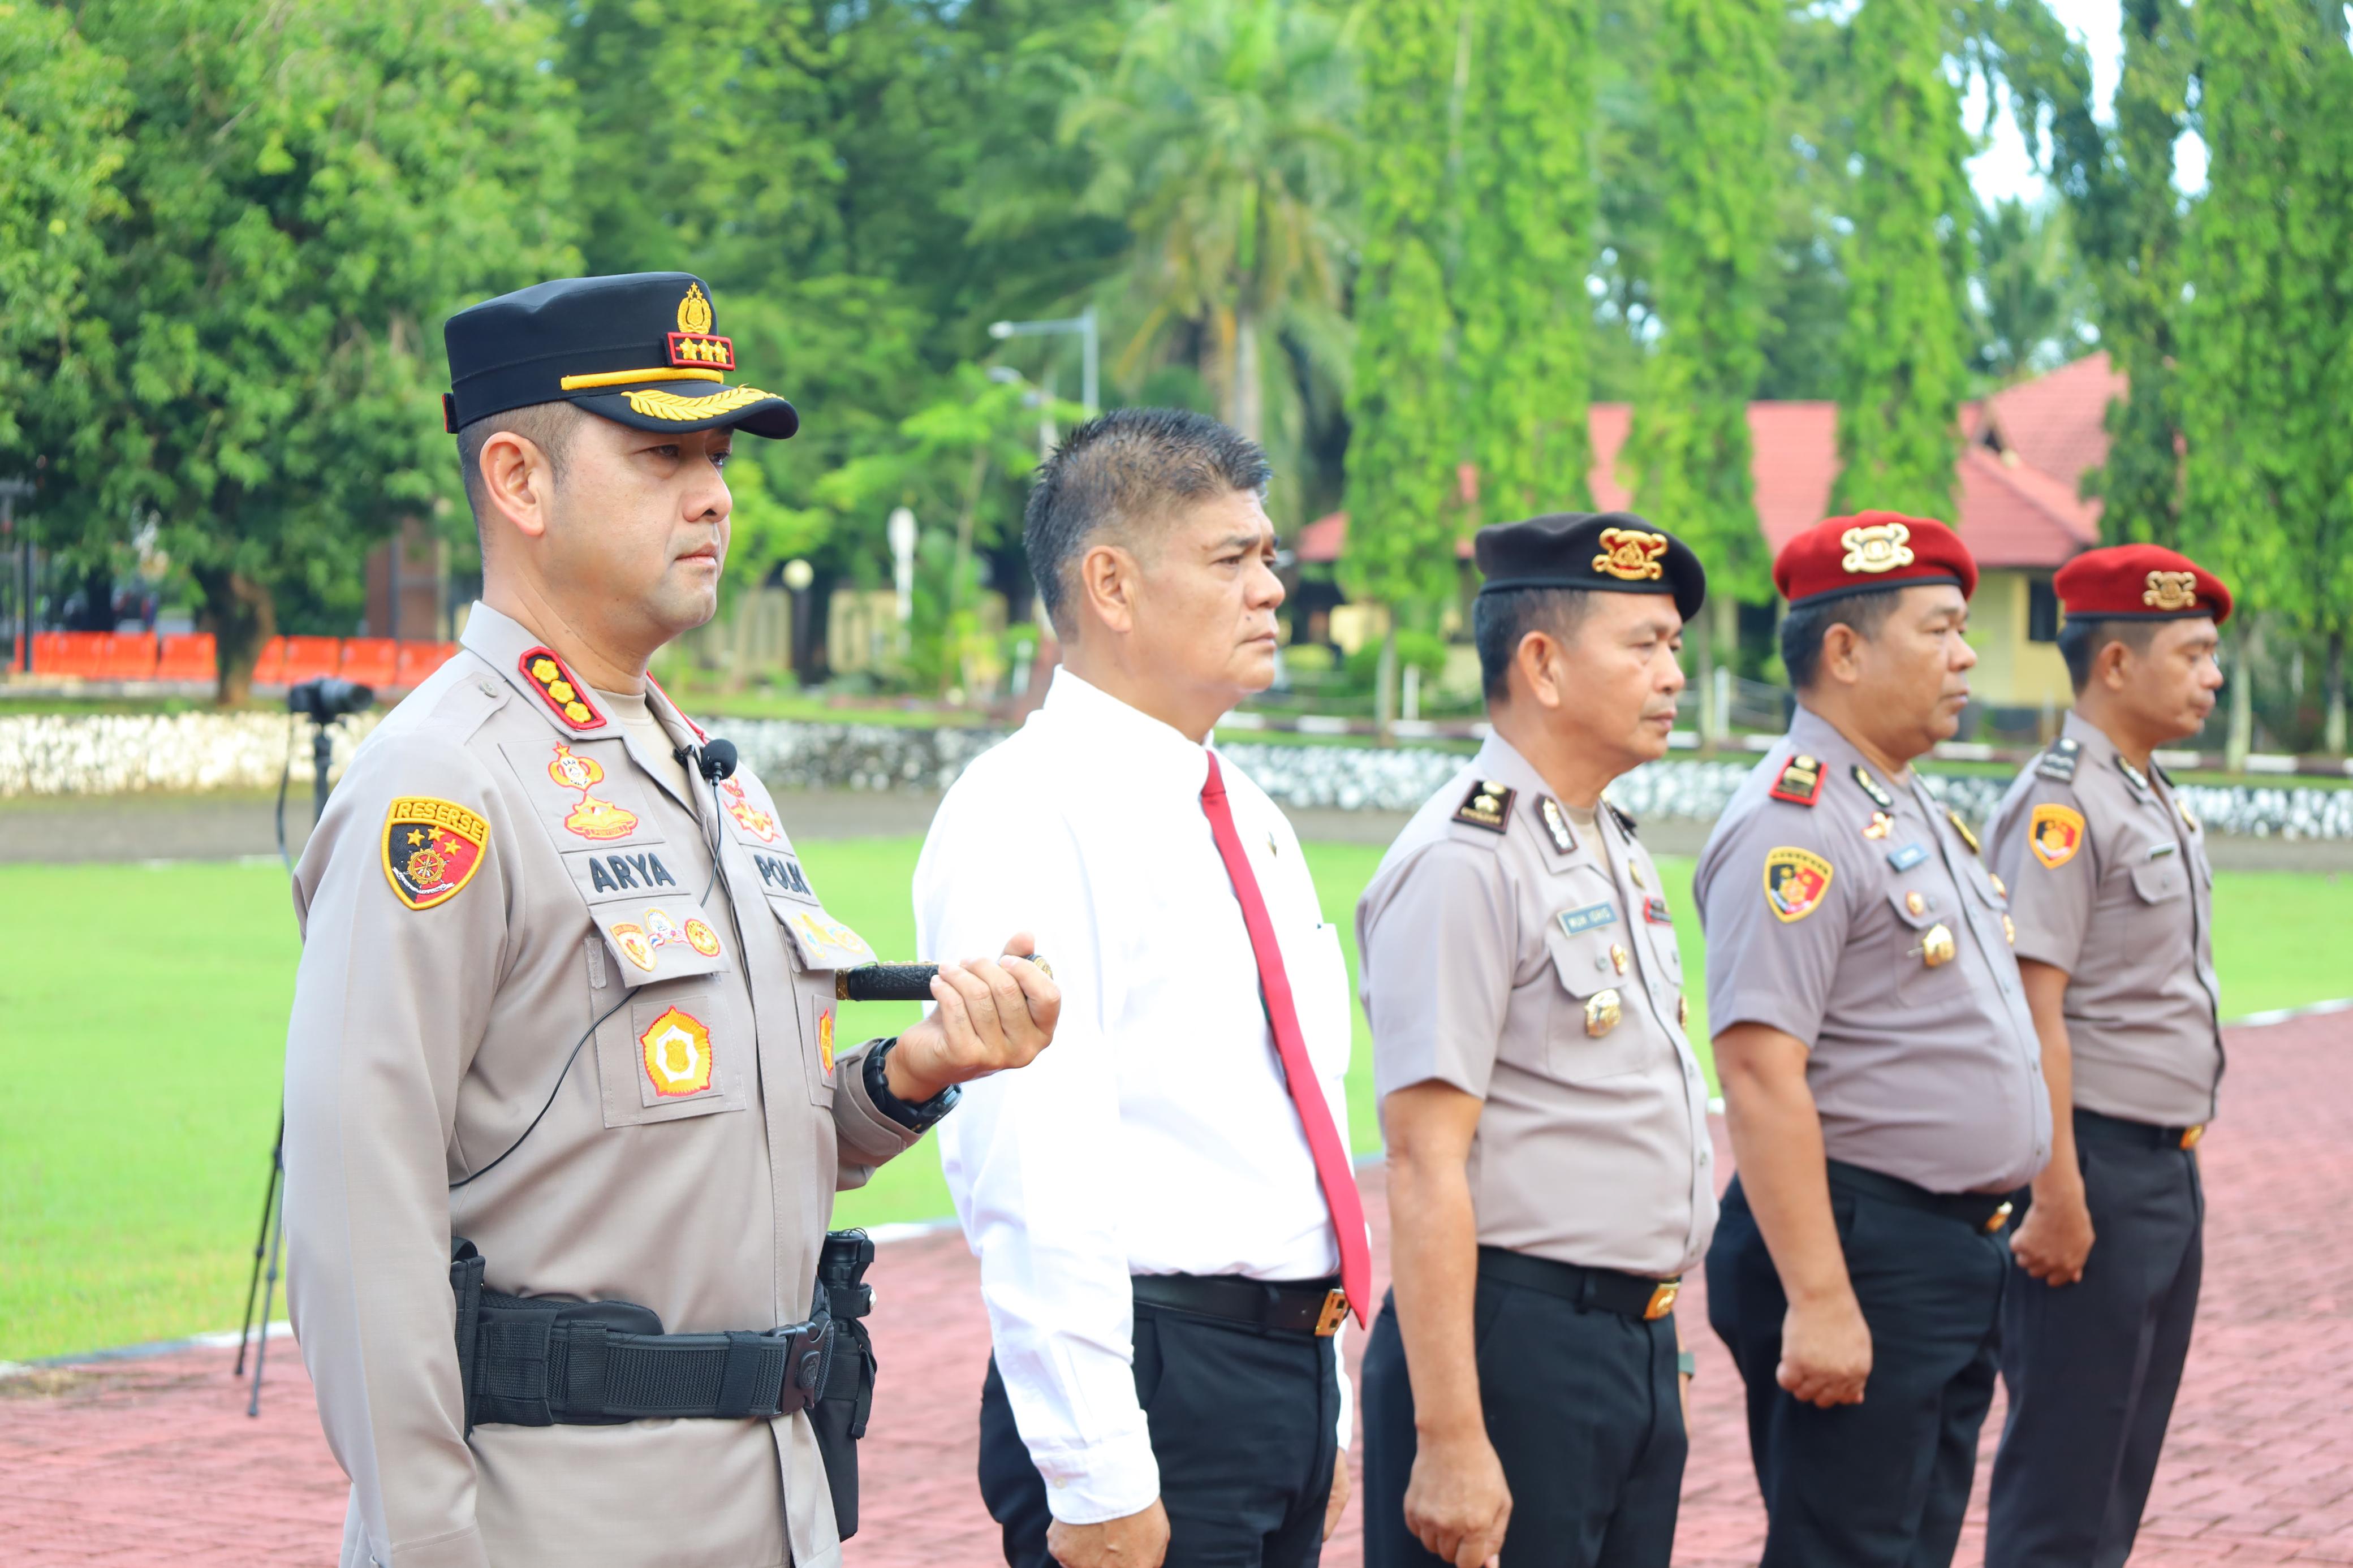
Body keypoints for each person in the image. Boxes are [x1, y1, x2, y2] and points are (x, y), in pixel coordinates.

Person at [282, 271, 1061, 1568]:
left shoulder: (706, 773)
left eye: (719, 458)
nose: (713, 496)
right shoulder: (447, 785)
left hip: (773, 1501)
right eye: (662, 456)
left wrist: (915, 1071)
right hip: (563, 1519)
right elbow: (359, 1209)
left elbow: (726, 1133)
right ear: (520, 482)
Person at [913, 408, 1365, 1568]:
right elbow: (1031, 1164)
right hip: (1152, 1374)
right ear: (1110, 584)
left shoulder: (1246, 813)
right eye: (1231, 558)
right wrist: (1095, 1468)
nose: (1271, 588)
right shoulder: (1030, 809)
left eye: (1269, 556)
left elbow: (1291, 1127)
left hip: (1277, 1372)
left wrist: (1327, 1408)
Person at [1356, 513, 1716, 1568]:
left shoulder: (1607, 841)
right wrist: (1449, 1436)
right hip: (1515, 1346)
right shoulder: (1467, 858)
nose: (1674, 674)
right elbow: (1423, 1158)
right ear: (1545, 666)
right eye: (1644, 645)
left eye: (1675, 646)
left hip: (1630, 1343)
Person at [1695, 511, 2052, 1568]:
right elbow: (1759, 1070)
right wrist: (1819, 1298)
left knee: (1905, 1543)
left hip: (1942, 1251)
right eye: (1939, 629)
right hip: (1863, 1248)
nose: (1966, 654)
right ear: (1845, 651)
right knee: (1848, 1547)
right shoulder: (1796, 821)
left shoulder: (1900, 802)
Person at [1982, 545, 2230, 1567]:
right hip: (2093, 1169)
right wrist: (2057, 1194)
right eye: (2193, 653)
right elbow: (2031, 1010)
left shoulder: (2147, 791)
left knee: (2118, 1466)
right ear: (2117, 664)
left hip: (2160, 1167)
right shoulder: (2063, 805)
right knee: (2067, 1479)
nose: (2214, 675)